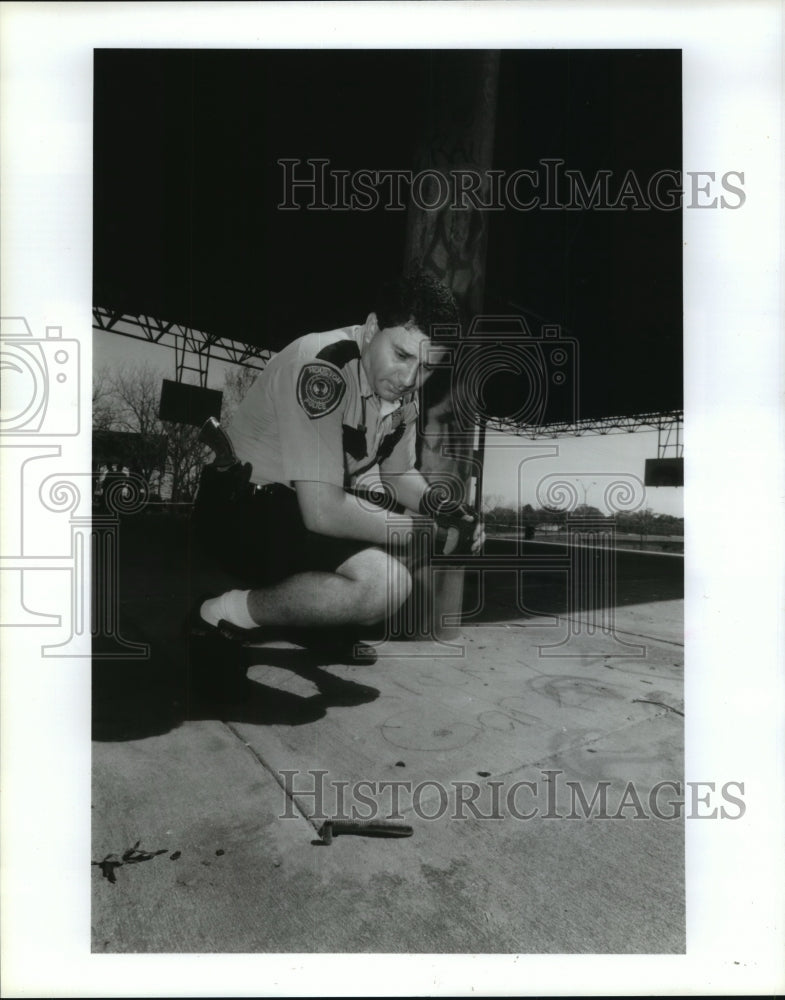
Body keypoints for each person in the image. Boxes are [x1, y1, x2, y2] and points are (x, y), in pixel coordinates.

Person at [190, 267, 482, 654]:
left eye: (427, 367)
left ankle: (315, 617)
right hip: (239, 510)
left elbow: (397, 473)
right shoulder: (321, 367)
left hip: (294, 509)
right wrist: (432, 533)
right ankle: (217, 614)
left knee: (395, 541)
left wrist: (447, 511)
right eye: (402, 354)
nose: (411, 379)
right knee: (385, 582)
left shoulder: (398, 388)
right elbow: (324, 513)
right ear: (373, 326)